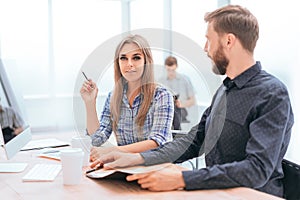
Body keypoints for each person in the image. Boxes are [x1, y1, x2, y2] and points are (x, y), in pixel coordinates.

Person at [90, 5, 294, 198]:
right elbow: (194, 141)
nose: (205, 48)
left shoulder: (272, 94)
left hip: (252, 196)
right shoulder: (225, 89)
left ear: (229, 41)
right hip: (214, 191)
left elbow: (257, 170)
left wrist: (181, 178)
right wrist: (137, 158)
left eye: (209, 40)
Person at [80, 34, 174, 159]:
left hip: (157, 168)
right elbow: (97, 140)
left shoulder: (162, 95)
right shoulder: (113, 97)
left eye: (136, 58)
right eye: (123, 58)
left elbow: (157, 142)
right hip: (126, 167)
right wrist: (90, 103)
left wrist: (112, 151)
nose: (129, 64)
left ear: (147, 62)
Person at [159, 56, 196, 130]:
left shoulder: (185, 80)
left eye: (172, 70)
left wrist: (181, 104)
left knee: (176, 110)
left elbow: (193, 101)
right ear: (165, 68)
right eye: (168, 70)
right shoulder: (161, 81)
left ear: (176, 67)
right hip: (166, 112)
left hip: (182, 112)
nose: (171, 72)